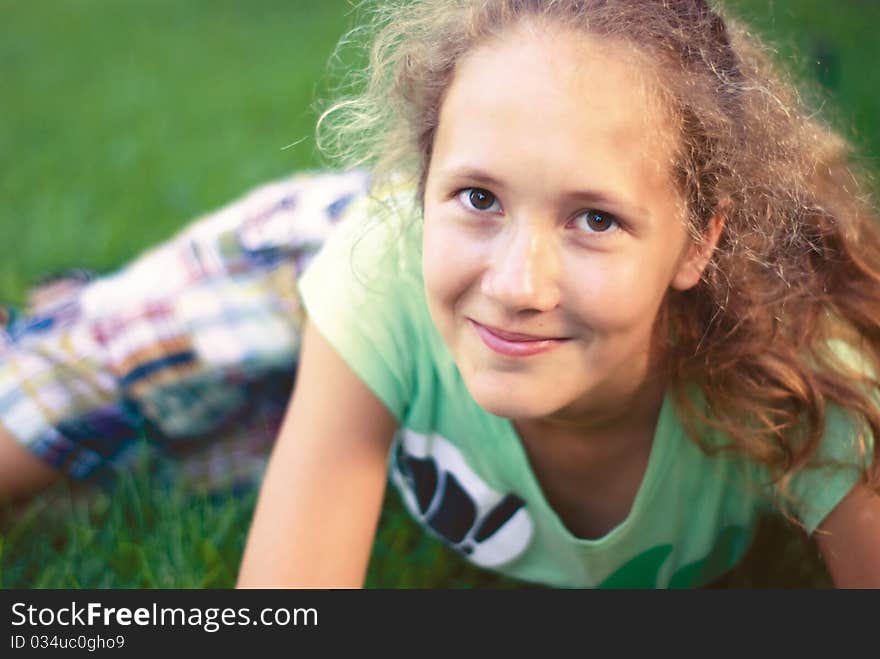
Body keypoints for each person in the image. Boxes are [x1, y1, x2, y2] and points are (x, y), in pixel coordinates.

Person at [3, 0, 880, 588]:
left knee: (184, 466)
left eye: (596, 219)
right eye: (479, 194)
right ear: (422, 185)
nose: (517, 285)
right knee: (48, 412)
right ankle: (76, 314)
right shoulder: (382, 265)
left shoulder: (803, 376)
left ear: (699, 241)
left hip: (414, 344)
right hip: (309, 265)